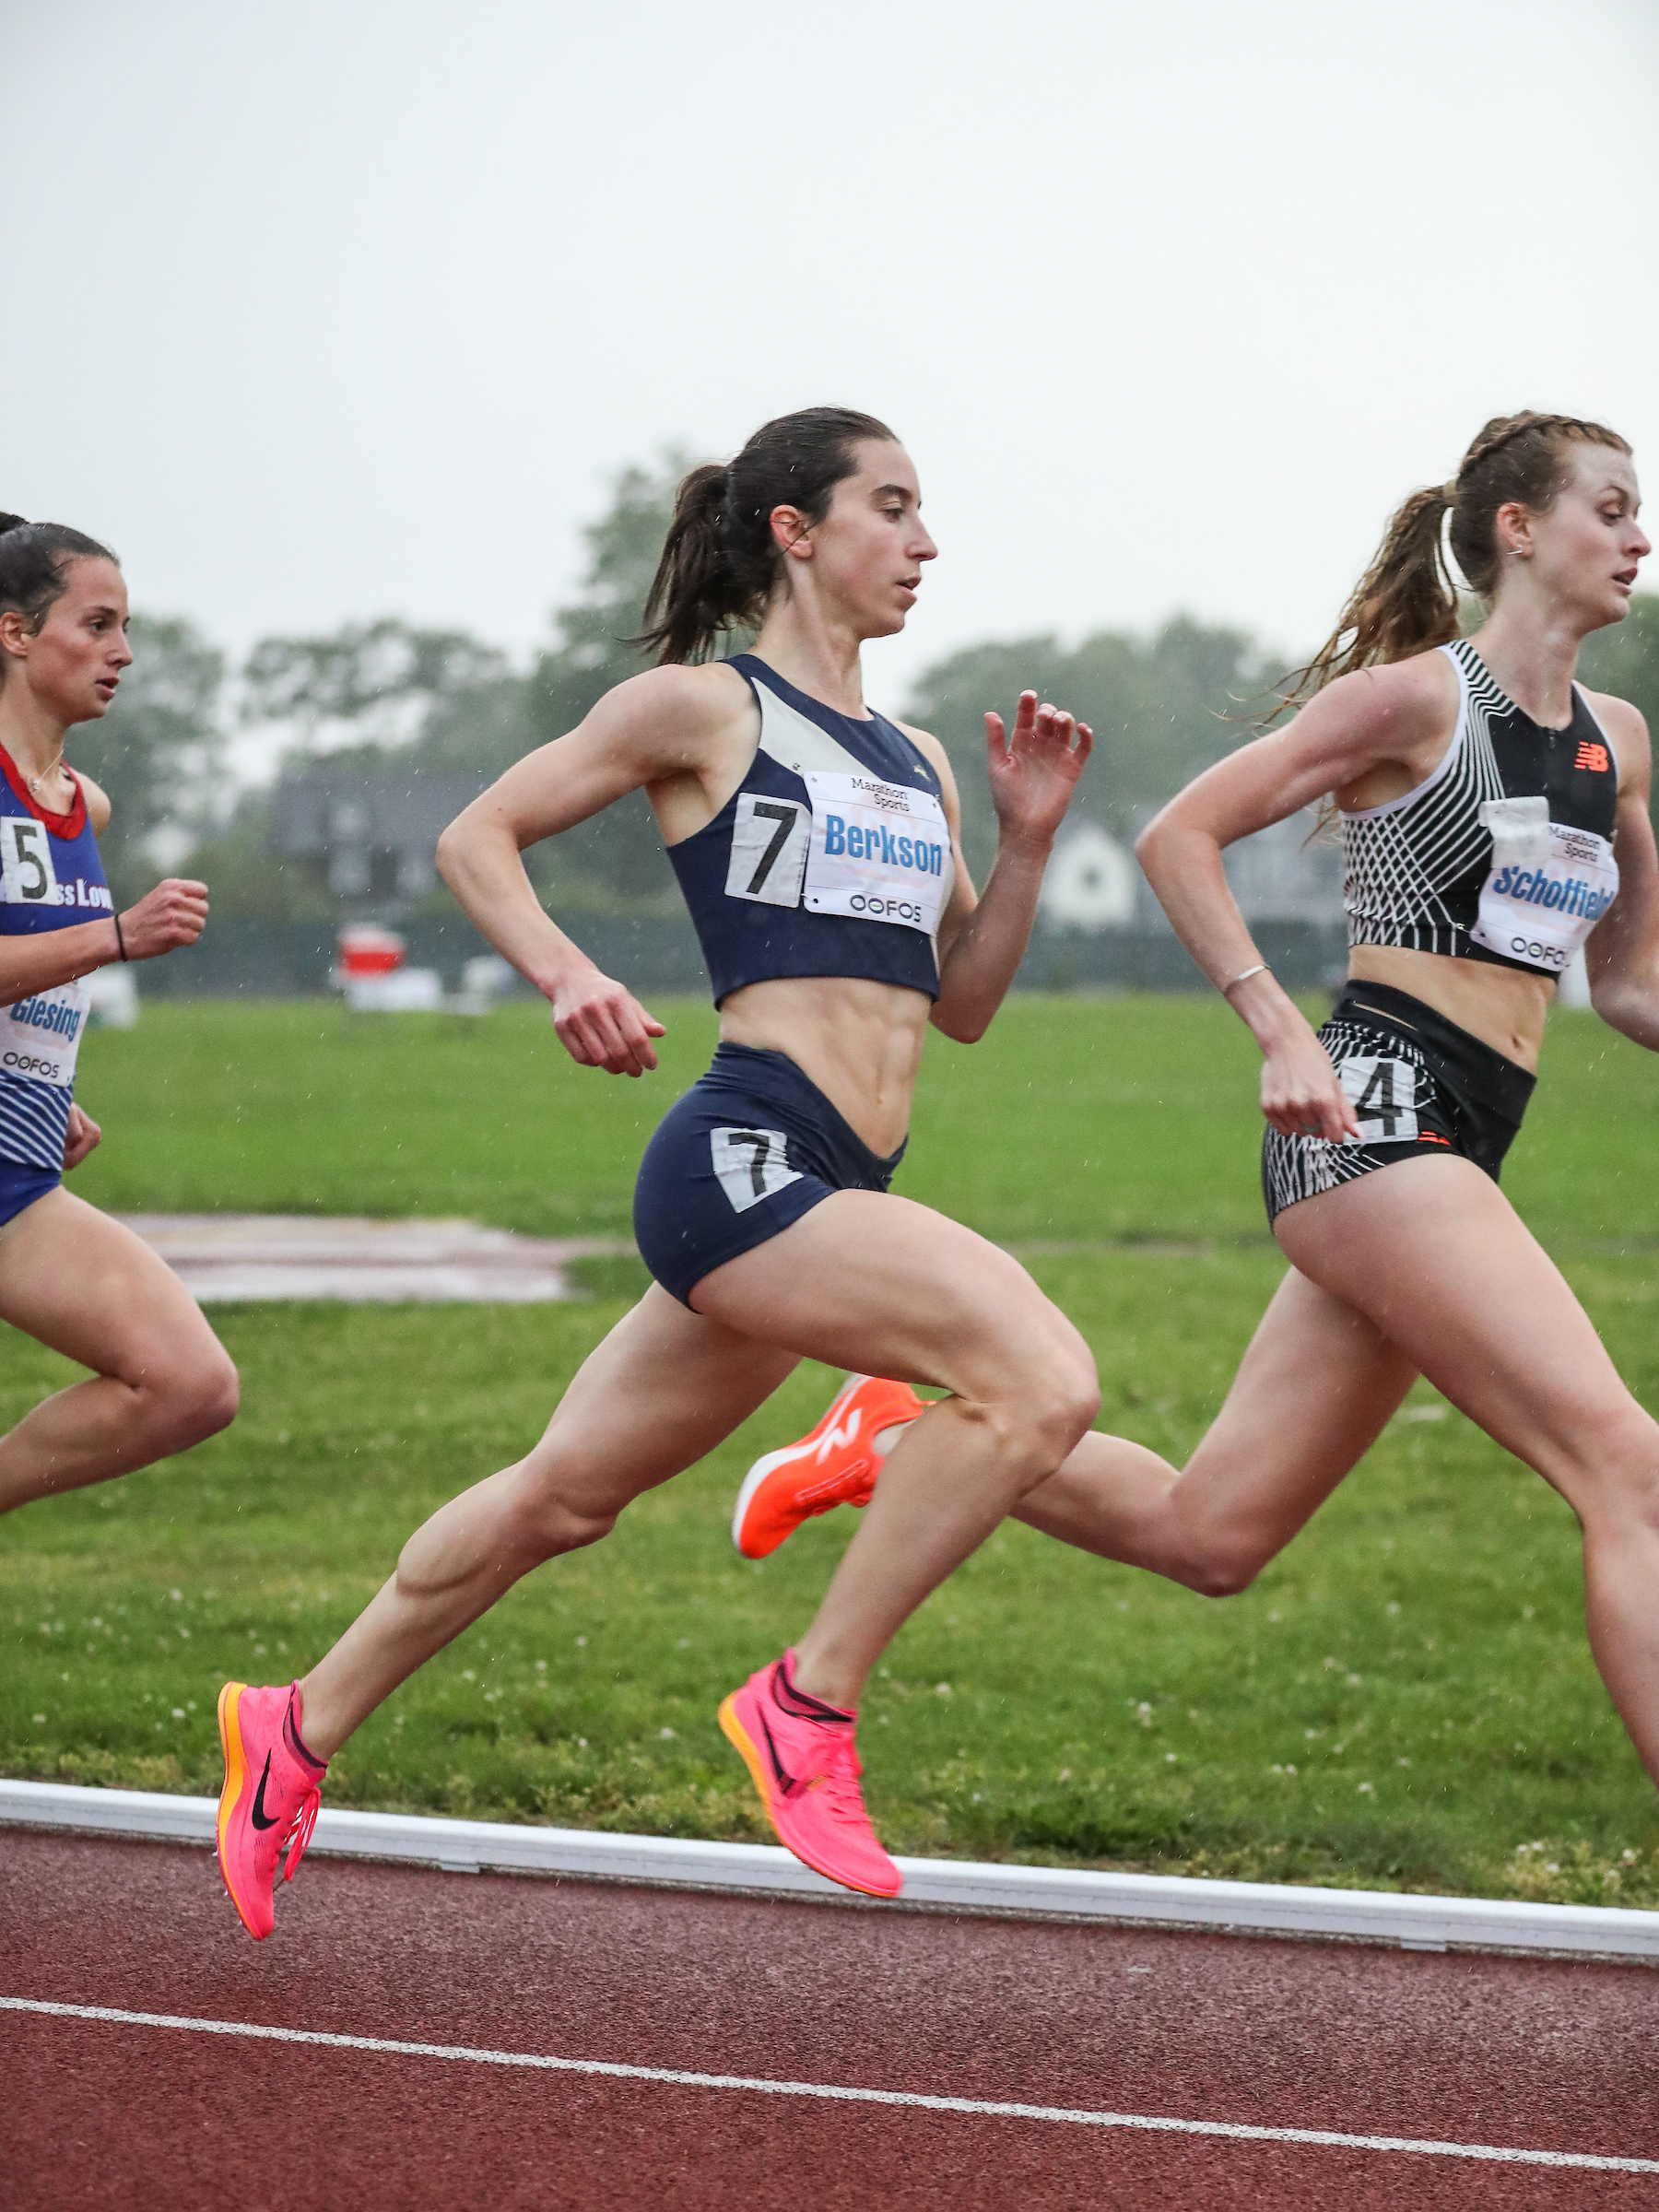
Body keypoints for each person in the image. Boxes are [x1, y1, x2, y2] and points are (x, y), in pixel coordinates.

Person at [214, 406, 1097, 1939]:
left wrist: (1023, 844)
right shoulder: (705, 708)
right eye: (891, 508)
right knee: (1039, 1382)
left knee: (562, 1499)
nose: (926, 543)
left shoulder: (920, 761)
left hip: (833, 1182)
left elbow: (960, 1004)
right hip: (745, 1161)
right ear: (795, 532)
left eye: (926, 512)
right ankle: (804, 1705)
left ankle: (294, 1725)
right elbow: (479, 838)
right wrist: (564, 975)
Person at [742, 412, 1659, 1805]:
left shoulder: (1619, 744)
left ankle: (893, 1435)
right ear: (1519, 531)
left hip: (1462, 1147)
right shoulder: (1416, 703)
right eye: (1610, 507)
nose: (1637, 536)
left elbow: (1633, 983)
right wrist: (1275, 1022)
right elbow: (1180, 836)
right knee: (1629, 1473)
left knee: (1209, 1536)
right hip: (1373, 1117)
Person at [0, 517, 236, 1523]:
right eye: (95, 625)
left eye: (125, 627)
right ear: (15, 632)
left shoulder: (79, 806)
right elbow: (74, 949)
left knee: (190, 1383)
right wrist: (115, 938)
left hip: (16, 1169)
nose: (123, 653)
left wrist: (37, 1088)